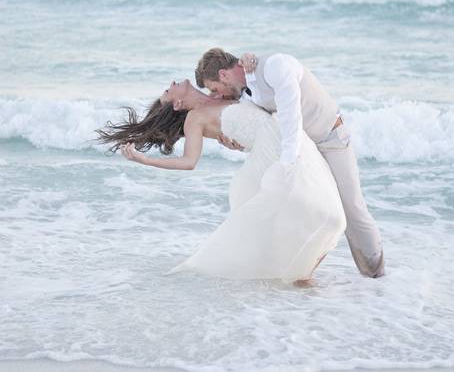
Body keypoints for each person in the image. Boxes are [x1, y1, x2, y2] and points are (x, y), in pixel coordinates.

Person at [96, 79, 346, 286]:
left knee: (329, 215)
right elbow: (189, 161)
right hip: (273, 155)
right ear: (178, 104)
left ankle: (300, 278)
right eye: (167, 91)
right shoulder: (194, 118)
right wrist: (144, 160)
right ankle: (301, 283)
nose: (170, 84)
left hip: (288, 139)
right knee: (323, 213)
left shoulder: (218, 93)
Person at [195, 48, 385, 278]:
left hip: (331, 140)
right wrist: (238, 144)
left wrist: (288, 163)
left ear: (224, 75)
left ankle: (377, 277)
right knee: (304, 209)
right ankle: (296, 275)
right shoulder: (245, 92)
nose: (218, 95)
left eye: (215, 88)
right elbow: (265, 127)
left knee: (352, 208)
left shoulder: (276, 66)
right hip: (306, 151)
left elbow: (290, 115)